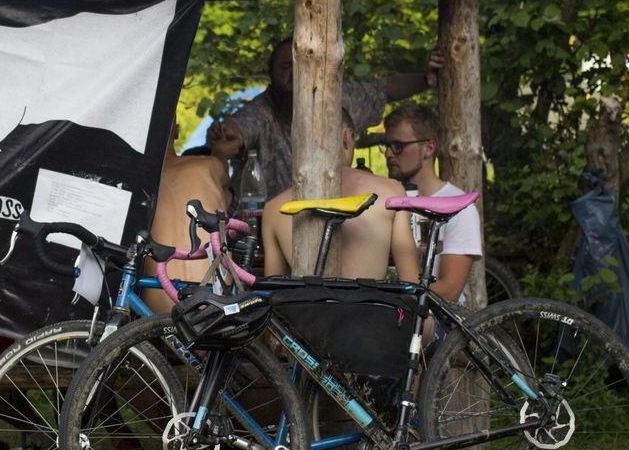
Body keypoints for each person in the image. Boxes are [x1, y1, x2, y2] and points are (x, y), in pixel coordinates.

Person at [206, 39, 442, 199]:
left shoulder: (339, 97)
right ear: (271, 74)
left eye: (301, 65)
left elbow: (383, 90)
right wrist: (225, 135)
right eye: (286, 66)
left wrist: (426, 80)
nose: (295, 73)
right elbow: (237, 129)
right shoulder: (263, 109)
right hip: (274, 225)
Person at [262, 110, 419, 282]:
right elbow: (411, 284)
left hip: (309, 308)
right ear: (347, 137)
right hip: (372, 307)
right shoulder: (391, 191)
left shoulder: (273, 209)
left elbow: (274, 292)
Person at [381, 104, 482, 302]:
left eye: (398, 146)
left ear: (428, 148)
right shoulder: (384, 200)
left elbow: (450, 291)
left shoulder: (459, 207)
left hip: (434, 321)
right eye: (386, 146)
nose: (388, 154)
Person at [141, 124, 232, 314]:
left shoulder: (135, 182)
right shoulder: (210, 166)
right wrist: (220, 154)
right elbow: (226, 182)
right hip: (215, 308)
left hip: (156, 318)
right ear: (176, 131)